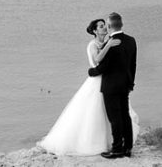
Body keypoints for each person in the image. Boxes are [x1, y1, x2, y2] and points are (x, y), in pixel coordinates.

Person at [37, 18, 119, 155]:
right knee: (94, 111)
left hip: (107, 79)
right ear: (94, 31)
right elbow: (97, 60)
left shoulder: (104, 42)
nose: (105, 28)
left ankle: (110, 141)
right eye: (101, 26)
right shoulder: (92, 45)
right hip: (97, 81)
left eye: (104, 26)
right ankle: (92, 143)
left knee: (106, 112)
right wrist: (109, 45)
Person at [88, 11, 137, 158]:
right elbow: (133, 64)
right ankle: (128, 148)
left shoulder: (111, 43)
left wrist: (92, 72)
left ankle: (117, 149)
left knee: (114, 118)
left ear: (109, 26)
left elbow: (103, 67)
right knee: (125, 116)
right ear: (121, 24)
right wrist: (131, 83)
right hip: (125, 84)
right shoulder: (131, 40)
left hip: (111, 86)